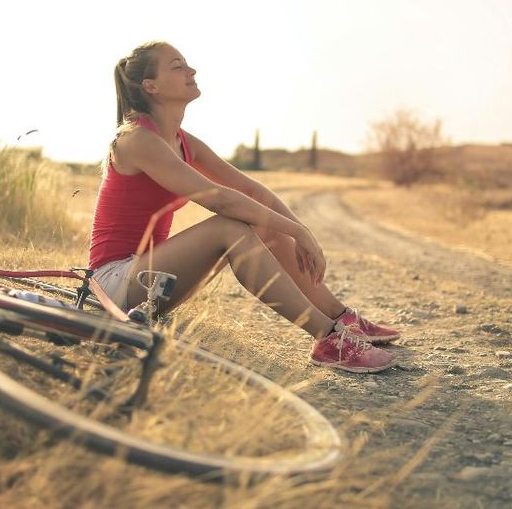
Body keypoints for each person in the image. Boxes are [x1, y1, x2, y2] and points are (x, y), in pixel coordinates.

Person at [88, 41, 400, 373]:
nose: (191, 71)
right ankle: (327, 338)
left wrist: (300, 230)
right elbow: (219, 198)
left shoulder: (182, 141)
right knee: (230, 226)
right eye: (177, 66)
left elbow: (249, 188)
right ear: (150, 86)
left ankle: (341, 319)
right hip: (113, 284)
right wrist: (296, 230)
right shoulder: (136, 139)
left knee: (264, 222)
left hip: (153, 281)